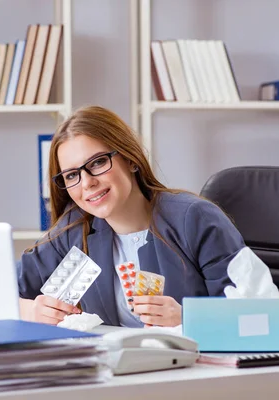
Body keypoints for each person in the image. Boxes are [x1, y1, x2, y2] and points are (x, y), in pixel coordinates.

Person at [17, 105, 245, 327]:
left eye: (97, 163)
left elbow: (256, 316)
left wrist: (188, 320)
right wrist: (29, 310)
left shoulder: (196, 218)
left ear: (131, 159)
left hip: (196, 363)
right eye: (71, 175)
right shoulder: (74, 230)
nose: (87, 183)